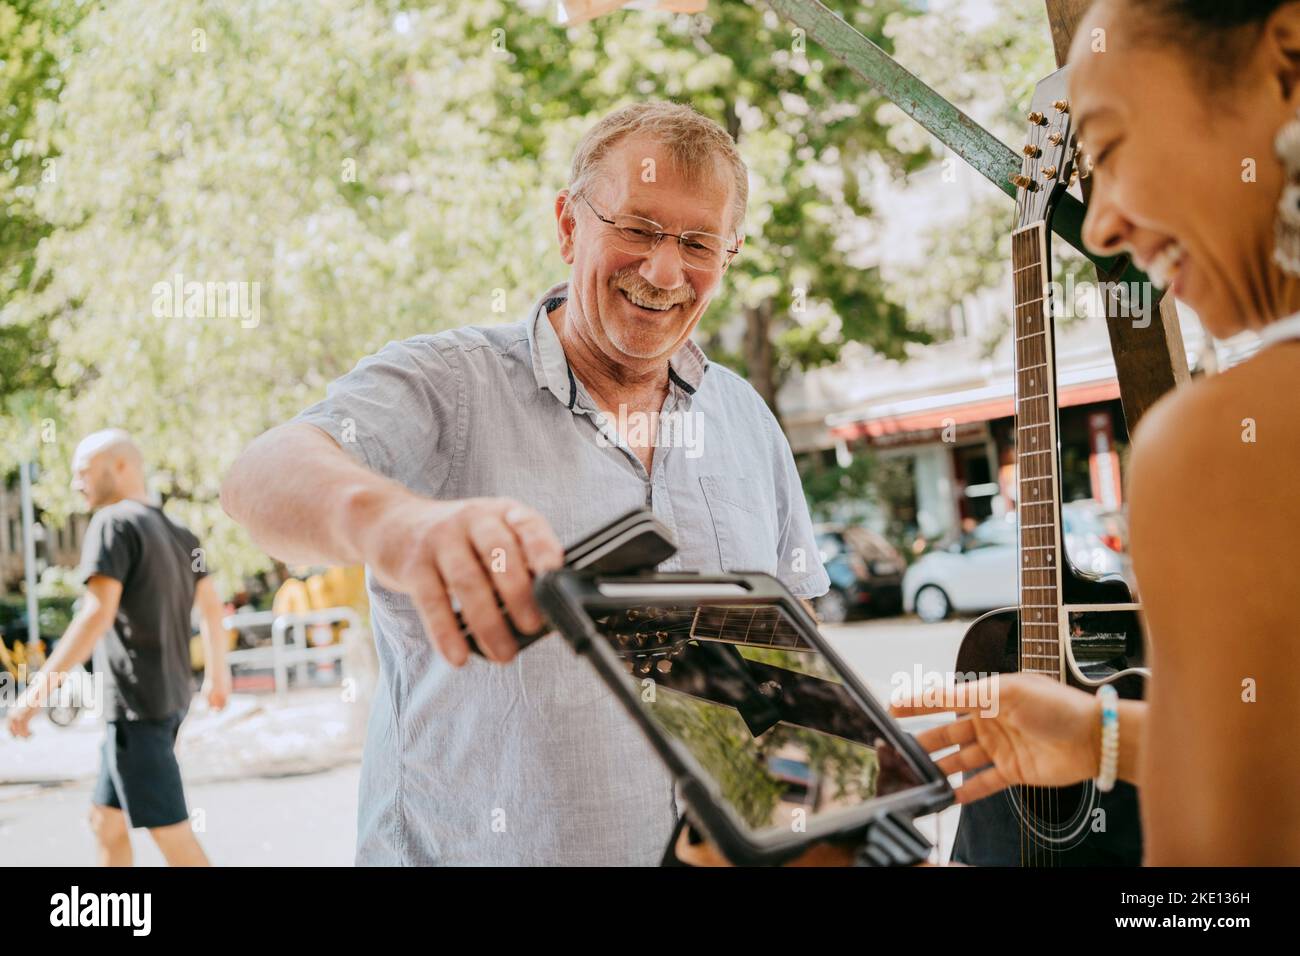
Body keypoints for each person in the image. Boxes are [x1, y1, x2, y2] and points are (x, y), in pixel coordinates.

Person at [220, 101, 831, 866]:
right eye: (637, 229)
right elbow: (259, 476)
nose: (665, 270)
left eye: (698, 242)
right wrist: (397, 526)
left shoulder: (746, 418)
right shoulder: (449, 384)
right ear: (570, 225)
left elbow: (793, 662)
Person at [895, 0, 1300, 866]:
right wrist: (1103, 737)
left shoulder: (1220, 447)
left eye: (1112, 151)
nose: (1105, 223)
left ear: (1287, 61)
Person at [6, 429, 232, 866]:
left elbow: (95, 615)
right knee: (105, 821)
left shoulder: (113, 523)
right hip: (166, 701)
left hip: (136, 708)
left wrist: (34, 696)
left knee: (173, 835)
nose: (77, 484)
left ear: (122, 466)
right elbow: (211, 605)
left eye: (84, 472)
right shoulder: (180, 532)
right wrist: (218, 676)